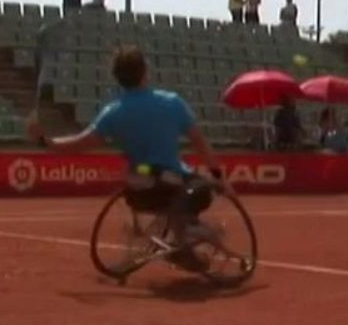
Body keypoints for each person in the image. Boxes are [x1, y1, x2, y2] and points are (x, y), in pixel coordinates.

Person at [25, 46, 228, 270]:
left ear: (117, 78)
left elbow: (79, 144)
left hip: (138, 187)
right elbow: (199, 142)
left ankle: (181, 240)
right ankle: (191, 234)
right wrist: (218, 176)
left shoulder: (113, 112)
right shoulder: (172, 102)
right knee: (202, 191)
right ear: (144, 71)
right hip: (172, 184)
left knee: (156, 179)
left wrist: (46, 141)